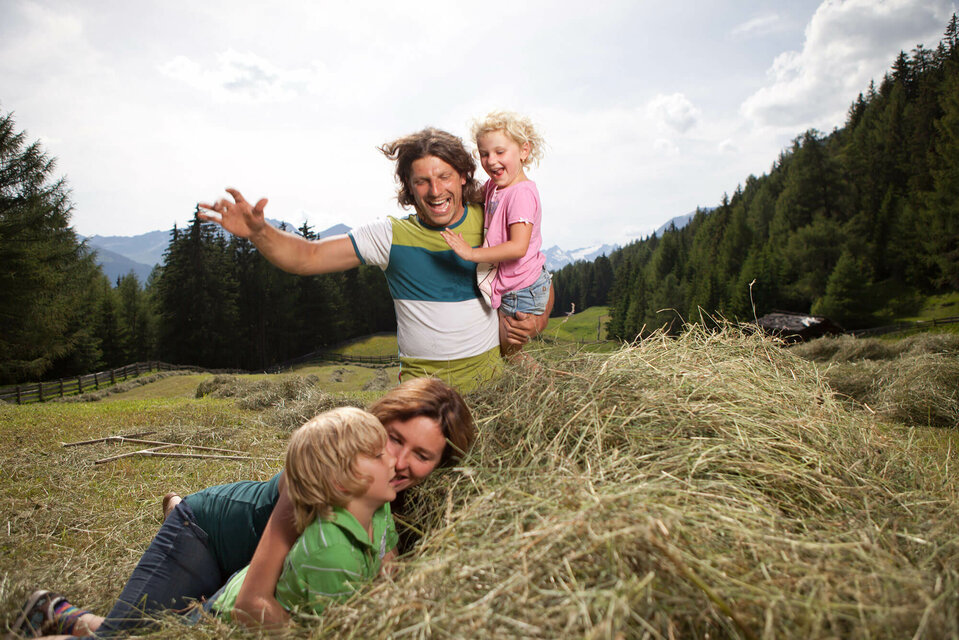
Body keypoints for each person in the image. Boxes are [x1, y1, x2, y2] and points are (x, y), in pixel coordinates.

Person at [12, 378, 474, 637]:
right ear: (376, 425)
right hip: (209, 538)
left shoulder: (381, 497)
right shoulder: (319, 477)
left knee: (148, 629)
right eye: (394, 440)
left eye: (422, 455)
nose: (398, 461)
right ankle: (57, 612)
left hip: (249, 576)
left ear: (440, 463)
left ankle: (81, 620)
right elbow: (254, 600)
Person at [196, 127, 554, 391]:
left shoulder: (489, 219)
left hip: (492, 387)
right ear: (409, 189)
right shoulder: (389, 236)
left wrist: (535, 322)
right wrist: (261, 233)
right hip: (423, 397)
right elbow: (307, 257)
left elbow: (537, 275)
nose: (435, 190)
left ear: (462, 177)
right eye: (422, 181)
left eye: (444, 176)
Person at [441, 111, 551, 359]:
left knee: (509, 350)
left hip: (522, 287)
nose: (491, 161)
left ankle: (544, 388)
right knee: (507, 349)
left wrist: (471, 253)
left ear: (524, 151)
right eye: (484, 154)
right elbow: (473, 196)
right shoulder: (496, 185)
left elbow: (517, 247)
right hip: (514, 283)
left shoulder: (521, 194)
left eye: (500, 152)